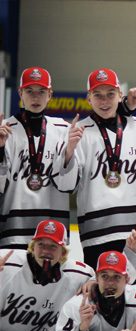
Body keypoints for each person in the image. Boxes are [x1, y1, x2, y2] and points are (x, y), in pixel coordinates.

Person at [53, 68, 136, 267]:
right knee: (102, 295)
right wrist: (68, 152)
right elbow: (65, 186)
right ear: (88, 99)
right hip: (98, 235)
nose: (104, 101)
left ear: (120, 96)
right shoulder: (77, 133)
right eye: (97, 95)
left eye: (110, 94)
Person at [0, 67, 72, 249]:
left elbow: (71, 185)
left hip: (54, 235)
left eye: (41, 92)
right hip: (13, 232)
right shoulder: (5, 129)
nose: (35, 97)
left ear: (50, 94)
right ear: (20, 93)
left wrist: (70, 151)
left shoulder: (64, 130)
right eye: (29, 91)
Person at [0, 219, 93, 331]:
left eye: (53, 246)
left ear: (63, 252)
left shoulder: (79, 274)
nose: (45, 251)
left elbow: (109, 278)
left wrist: (94, 282)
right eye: (41, 244)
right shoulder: (7, 263)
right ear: (32, 247)